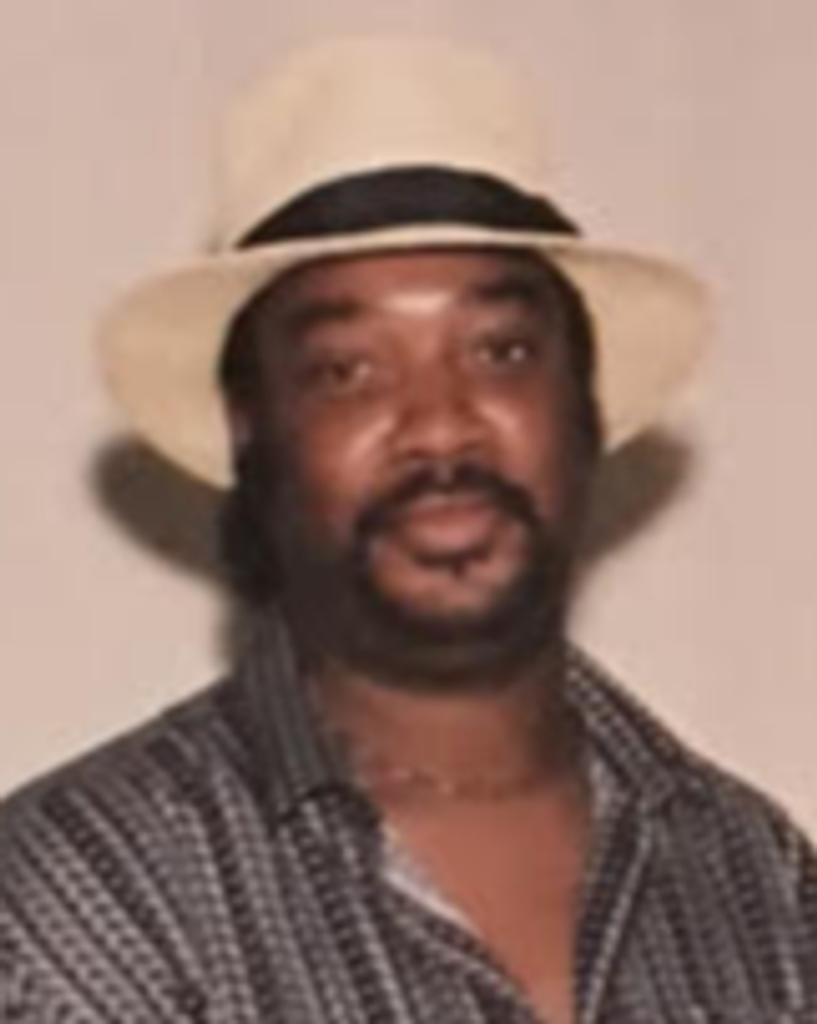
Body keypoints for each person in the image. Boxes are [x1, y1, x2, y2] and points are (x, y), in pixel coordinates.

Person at [1, 36, 815, 1024]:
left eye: (499, 350)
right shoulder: (78, 908)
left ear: (583, 406)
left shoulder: (756, 880)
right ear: (254, 433)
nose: (439, 423)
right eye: (348, 370)